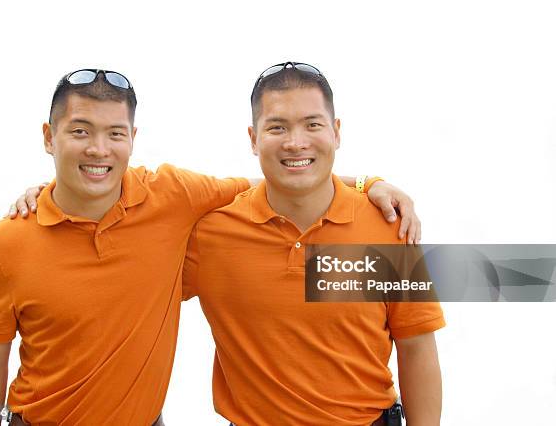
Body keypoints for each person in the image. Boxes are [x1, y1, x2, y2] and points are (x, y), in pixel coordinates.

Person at [0, 68, 419, 425]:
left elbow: (283, 178)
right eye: (80, 132)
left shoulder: (173, 197)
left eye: (115, 134)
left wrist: (367, 182)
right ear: (49, 137)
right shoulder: (5, 244)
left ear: (132, 139)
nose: (98, 149)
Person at [182, 62, 444, 425]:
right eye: (277, 127)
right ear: (253, 138)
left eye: (313, 124)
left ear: (336, 132)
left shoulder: (386, 226)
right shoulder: (210, 234)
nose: (295, 141)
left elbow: (416, 347)